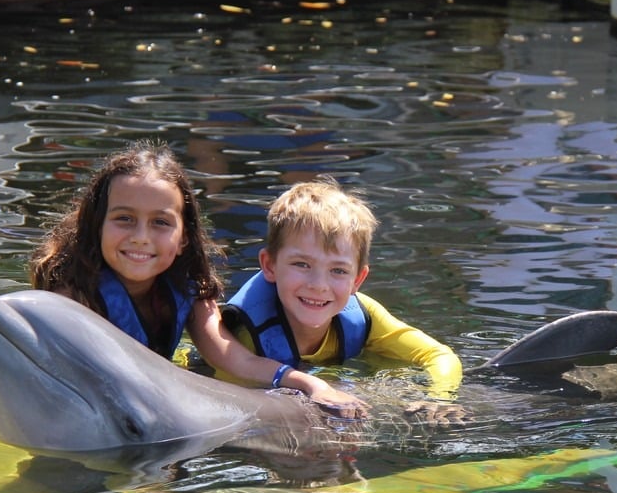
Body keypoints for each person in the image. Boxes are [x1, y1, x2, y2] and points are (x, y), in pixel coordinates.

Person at [28, 140, 369, 417]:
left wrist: (308, 384)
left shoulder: (187, 286)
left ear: (184, 238)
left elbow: (230, 355)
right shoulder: (72, 295)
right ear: (96, 225)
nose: (141, 237)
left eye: (160, 222)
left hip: (150, 408)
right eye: (124, 219)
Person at [222, 177, 467, 423]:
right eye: (302, 264)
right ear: (270, 265)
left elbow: (439, 356)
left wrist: (439, 398)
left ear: (358, 280)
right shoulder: (247, 335)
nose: (318, 285)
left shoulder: (363, 316)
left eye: (338, 270)